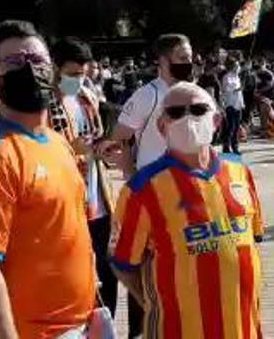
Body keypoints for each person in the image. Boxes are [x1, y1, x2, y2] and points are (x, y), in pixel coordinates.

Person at [0, 21, 96, 338]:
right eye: (14, 62)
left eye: (36, 61)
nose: (29, 70)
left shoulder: (58, 143)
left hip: (79, 326)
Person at [110, 82, 264, 338]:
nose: (188, 118)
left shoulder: (240, 171)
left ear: (216, 121)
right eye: (176, 113)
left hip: (243, 327)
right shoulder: (142, 189)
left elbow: (254, 240)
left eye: (198, 109)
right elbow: (123, 263)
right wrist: (154, 301)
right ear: (162, 126)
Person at [98, 33, 194, 338]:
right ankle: (140, 330)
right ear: (163, 61)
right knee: (143, 264)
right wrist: (130, 173)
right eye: (181, 57)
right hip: (152, 194)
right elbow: (121, 134)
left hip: (186, 193)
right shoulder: (147, 96)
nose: (188, 62)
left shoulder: (194, 92)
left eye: (190, 56)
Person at [47, 38, 118, 316]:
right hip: (64, 199)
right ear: (56, 67)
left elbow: (98, 135)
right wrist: (68, 148)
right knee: (74, 271)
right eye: (73, 74)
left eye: (83, 74)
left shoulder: (86, 97)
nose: (79, 80)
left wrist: (103, 146)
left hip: (97, 196)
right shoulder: (44, 105)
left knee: (106, 268)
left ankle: (106, 325)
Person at [220, 58, 245, 154]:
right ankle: (226, 146)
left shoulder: (237, 77)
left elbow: (240, 92)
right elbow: (226, 90)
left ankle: (235, 147)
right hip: (230, 104)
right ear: (232, 66)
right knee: (230, 127)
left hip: (238, 104)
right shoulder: (227, 77)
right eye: (236, 65)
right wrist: (237, 89)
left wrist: (242, 103)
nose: (238, 67)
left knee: (236, 127)